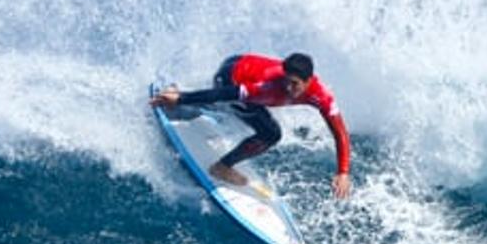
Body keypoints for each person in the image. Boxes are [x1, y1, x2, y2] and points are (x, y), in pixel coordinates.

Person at [151, 52, 353, 199]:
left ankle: (177, 93)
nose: (288, 88)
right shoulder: (267, 88)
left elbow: (340, 133)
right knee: (270, 133)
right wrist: (181, 99)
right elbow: (223, 93)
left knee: (232, 110)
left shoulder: (322, 96)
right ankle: (221, 167)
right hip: (230, 76)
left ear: (309, 81)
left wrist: (343, 172)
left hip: (241, 63)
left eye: (294, 84)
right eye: (286, 81)